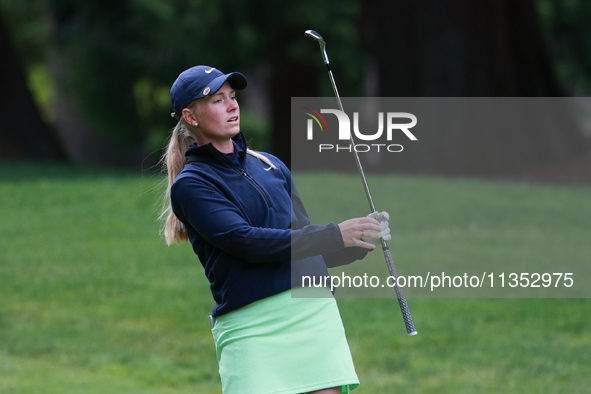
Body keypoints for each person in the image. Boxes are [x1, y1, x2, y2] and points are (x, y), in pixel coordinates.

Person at [159, 65, 391, 394]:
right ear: (191, 116)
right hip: (253, 325)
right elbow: (245, 242)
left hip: (312, 313)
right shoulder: (192, 185)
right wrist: (334, 233)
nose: (232, 105)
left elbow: (304, 245)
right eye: (217, 100)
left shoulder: (271, 165)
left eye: (233, 97)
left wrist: (359, 241)